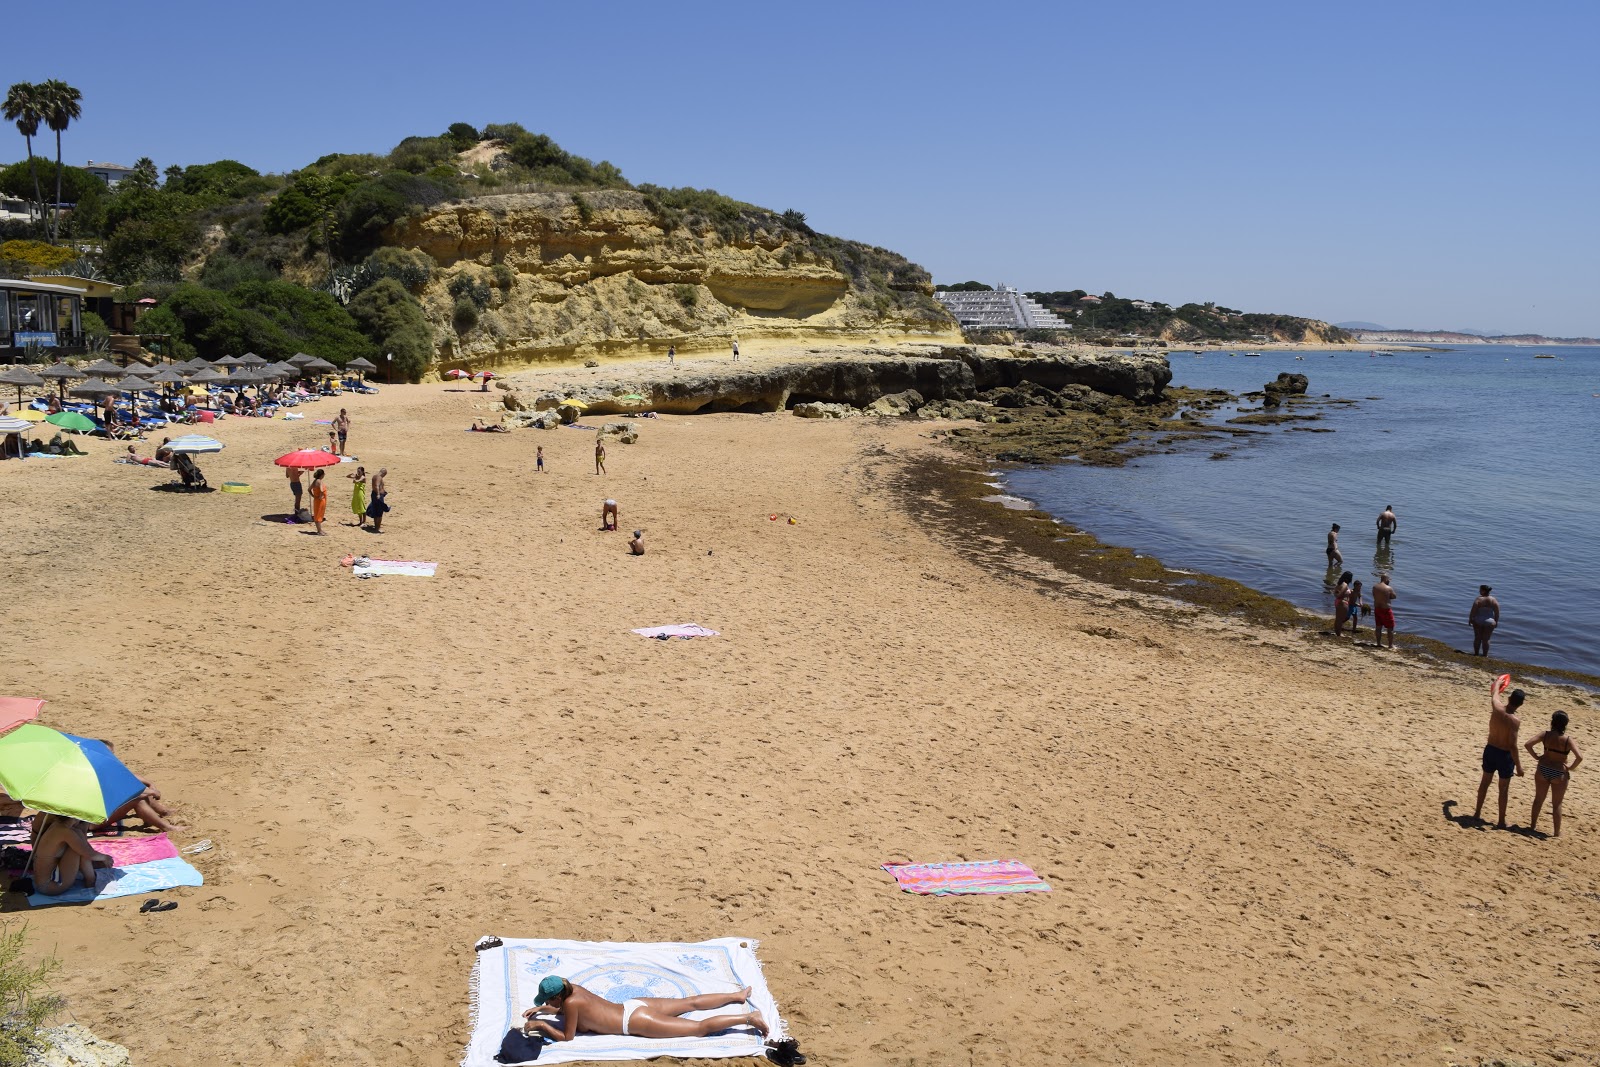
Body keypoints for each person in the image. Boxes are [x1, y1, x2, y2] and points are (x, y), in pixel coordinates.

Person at [520, 976, 766, 1043]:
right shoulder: (573, 989)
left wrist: (542, 1024)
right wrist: (547, 1010)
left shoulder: (570, 1005)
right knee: (689, 1002)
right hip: (634, 1005)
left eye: (549, 1000)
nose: (548, 1004)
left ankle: (748, 1017)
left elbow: (567, 1036)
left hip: (635, 1021)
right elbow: (580, 1010)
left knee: (699, 1029)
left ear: (558, 997)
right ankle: (737, 995)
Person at [1473, 679, 1525, 828]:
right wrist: (1519, 767)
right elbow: (1513, 745)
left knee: (1485, 782)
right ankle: (1501, 820)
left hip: (1490, 749)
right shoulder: (1515, 720)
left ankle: (1477, 813)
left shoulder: (1496, 707)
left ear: (1509, 698)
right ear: (1521, 704)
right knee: (1503, 789)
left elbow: (1495, 691)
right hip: (1504, 755)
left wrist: (1500, 680)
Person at [1525, 711, 1582, 837]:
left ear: (1553, 721)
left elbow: (1528, 744)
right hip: (1559, 772)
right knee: (1557, 804)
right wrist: (1570, 768)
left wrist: (1536, 757)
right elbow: (1579, 757)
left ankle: (1532, 826)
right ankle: (1556, 833)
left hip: (1543, 768)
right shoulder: (1567, 740)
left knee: (1538, 799)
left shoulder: (1545, 735)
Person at [30, 815, 112, 896]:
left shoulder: (56, 825)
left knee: (78, 838)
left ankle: (89, 876)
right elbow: (87, 853)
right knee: (79, 847)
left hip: (42, 882)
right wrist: (105, 857)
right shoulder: (66, 832)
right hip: (49, 886)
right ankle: (90, 879)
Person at [1470, 585, 1501, 657]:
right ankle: (1485, 655)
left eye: (1480, 590)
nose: (1479, 591)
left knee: (1477, 637)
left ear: (1483, 591)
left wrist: (1471, 619)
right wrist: (1496, 621)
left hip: (1478, 620)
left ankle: (1476, 654)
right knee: (1486, 639)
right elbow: (1497, 612)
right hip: (1490, 621)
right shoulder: (1493, 600)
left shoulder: (1478, 599)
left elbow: (1473, 610)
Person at [1371, 573, 1397, 649]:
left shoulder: (1375, 587)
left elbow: (1374, 596)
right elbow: (1394, 596)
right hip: (1386, 610)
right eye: (1388, 579)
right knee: (1390, 628)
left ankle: (1378, 643)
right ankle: (1390, 645)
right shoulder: (1388, 588)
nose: (1389, 581)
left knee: (1378, 627)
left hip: (1377, 608)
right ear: (1386, 579)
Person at [366, 467, 389, 533]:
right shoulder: (379, 477)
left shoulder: (375, 476)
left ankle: (376, 526)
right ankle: (377, 528)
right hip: (377, 495)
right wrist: (378, 494)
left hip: (375, 494)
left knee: (376, 510)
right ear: (383, 473)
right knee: (379, 511)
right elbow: (377, 485)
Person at [1331, 571, 1353, 635]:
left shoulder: (1339, 583)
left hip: (1338, 602)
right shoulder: (1345, 585)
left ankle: (1337, 632)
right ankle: (1338, 633)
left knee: (1338, 619)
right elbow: (1340, 594)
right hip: (1342, 602)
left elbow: (1335, 593)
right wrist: (1345, 595)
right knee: (1341, 619)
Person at [309, 468, 328, 534]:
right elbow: (321, 490)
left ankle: (319, 530)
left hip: (316, 500)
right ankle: (319, 531)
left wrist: (313, 496)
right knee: (319, 515)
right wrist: (321, 496)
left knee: (317, 514)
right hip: (321, 500)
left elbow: (309, 489)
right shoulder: (319, 481)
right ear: (321, 475)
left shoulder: (315, 481)